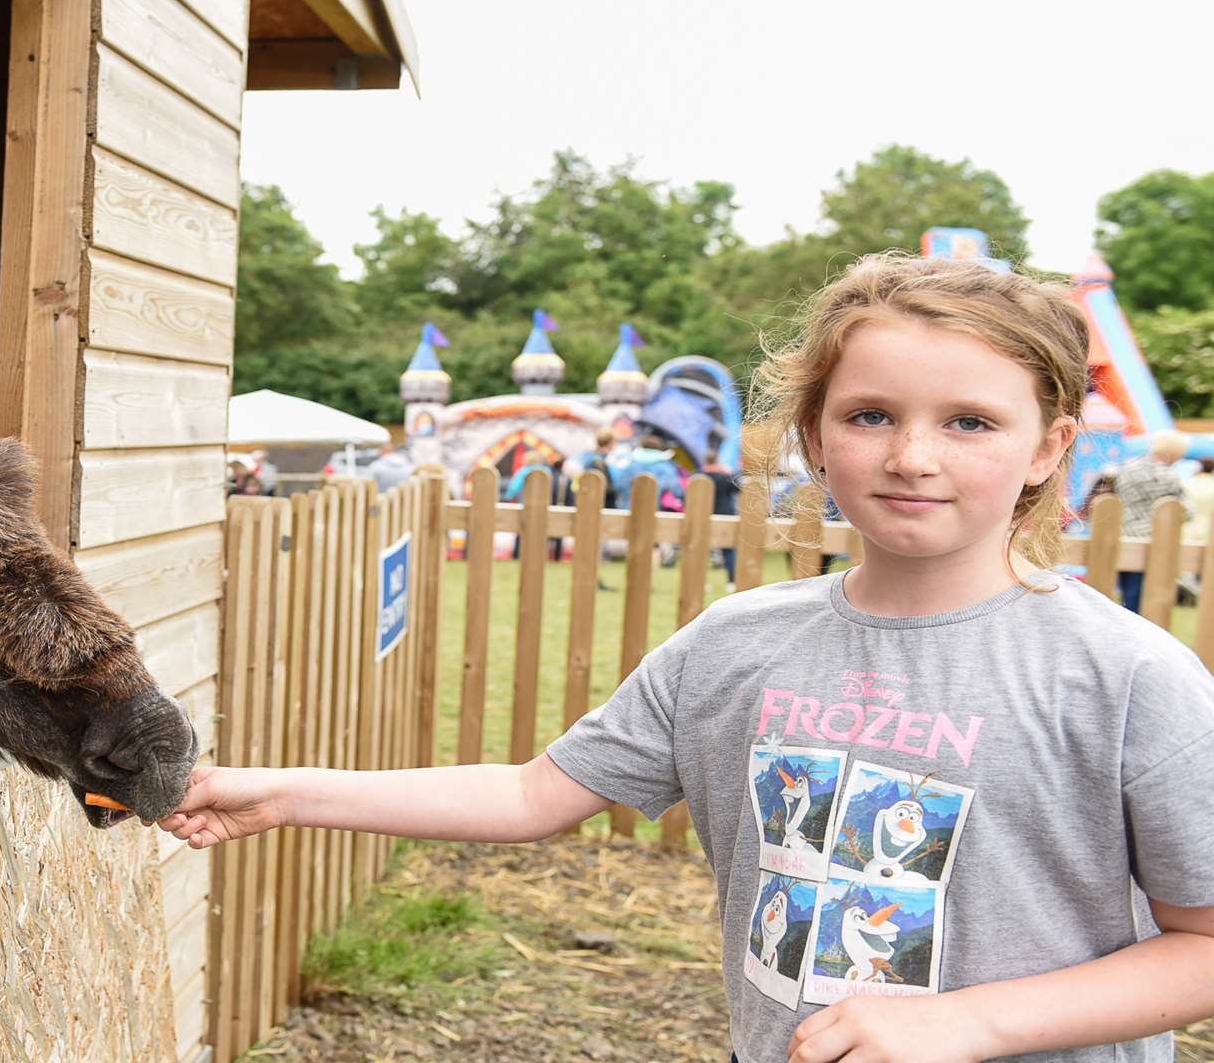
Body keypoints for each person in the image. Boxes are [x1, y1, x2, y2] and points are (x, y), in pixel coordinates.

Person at [150, 255, 1214, 1063]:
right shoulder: (735, 646)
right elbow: (530, 795)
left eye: (971, 421)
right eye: (870, 414)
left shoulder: (1127, 679)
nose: (912, 456)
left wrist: (972, 1022)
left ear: (1049, 448)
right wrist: (281, 792)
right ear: (812, 433)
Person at [1114, 431, 1188, 612]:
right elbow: (1185, 510)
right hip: (1155, 540)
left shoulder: (1128, 469)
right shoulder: (1169, 476)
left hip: (1125, 534)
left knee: (1128, 590)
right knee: (1148, 594)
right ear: (1174, 452)